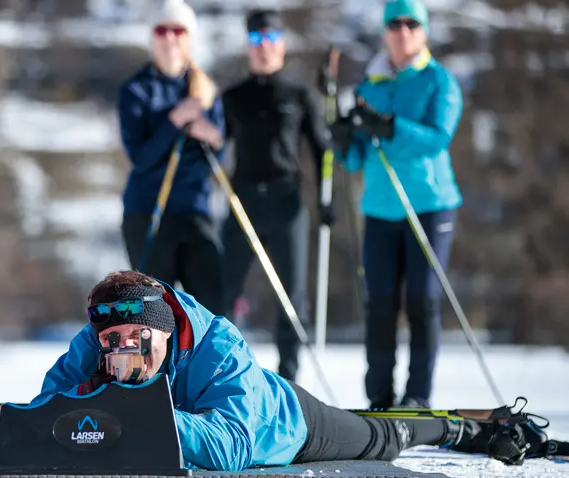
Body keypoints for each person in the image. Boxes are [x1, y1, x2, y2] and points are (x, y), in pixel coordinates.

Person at [31, 269, 549, 471]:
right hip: (218, 418)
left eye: (134, 341)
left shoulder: (219, 345)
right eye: (110, 343)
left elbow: (230, 448)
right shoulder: (99, 339)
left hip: (288, 427)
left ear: (163, 329)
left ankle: (458, 427)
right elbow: (46, 407)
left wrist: (132, 409)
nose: (120, 355)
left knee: (377, 437)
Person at [329, 0, 464, 409]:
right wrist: (342, 140)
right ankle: (379, 397)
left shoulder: (438, 81)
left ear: (422, 31)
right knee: (380, 304)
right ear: (385, 30)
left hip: (429, 204)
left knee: (421, 300)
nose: (402, 31)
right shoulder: (370, 86)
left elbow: (438, 137)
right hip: (380, 208)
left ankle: (418, 395)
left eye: (411, 24)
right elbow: (356, 159)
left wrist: (389, 126)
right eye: (395, 23)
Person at [220, 9, 330, 381]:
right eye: (255, 40)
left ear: (281, 45)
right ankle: (224, 374)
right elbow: (218, 143)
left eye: (270, 39)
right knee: (226, 292)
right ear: (248, 46)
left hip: (287, 201)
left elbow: (322, 149)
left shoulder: (299, 94)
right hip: (243, 201)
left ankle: (290, 377)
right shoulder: (233, 97)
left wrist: (325, 200)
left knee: (292, 296)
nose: (263, 47)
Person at [116, 0, 227, 317]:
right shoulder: (136, 90)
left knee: (209, 307)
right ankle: (156, 367)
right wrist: (175, 120)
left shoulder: (204, 90)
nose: (169, 38)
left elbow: (219, 156)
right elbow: (140, 157)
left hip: (194, 210)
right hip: (149, 210)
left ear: (189, 37)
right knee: (155, 312)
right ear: (152, 37)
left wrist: (211, 135)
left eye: (177, 30)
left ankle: (203, 367)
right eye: (161, 30)